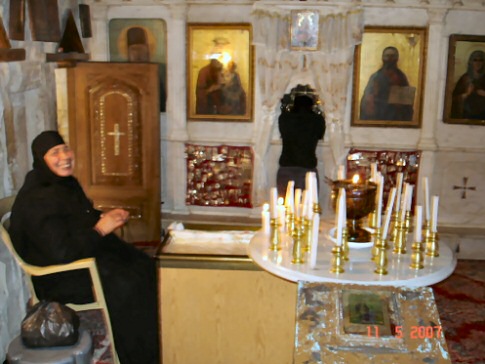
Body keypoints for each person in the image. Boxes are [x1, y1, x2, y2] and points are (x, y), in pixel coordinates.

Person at [9, 131, 159, 364]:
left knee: (143, 264)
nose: (64, 156)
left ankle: (155, 336)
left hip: (80, 257)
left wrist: (105, 217)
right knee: (128, 282)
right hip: (60, 276)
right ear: (41, 159)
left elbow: (78, 219)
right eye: (54, 153)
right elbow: (61, 252)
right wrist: (100, 229)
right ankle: (137, 355)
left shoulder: (63, 184)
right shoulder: (39, 199)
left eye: (65, 148)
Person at [277, 94, 326, 197]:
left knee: (284, 209)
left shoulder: (284, 118)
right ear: (311, 106)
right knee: (309, 208)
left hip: (286, 168)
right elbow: (320, 135)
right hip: (307, 168)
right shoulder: (317, 120)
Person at [360, 46, 414, 121]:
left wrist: (401, 105)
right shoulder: (376, 77)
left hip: (396, 118)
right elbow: (367, 101)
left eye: (392, 56)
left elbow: (407, 106)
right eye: (387, 56)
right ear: (383, 58)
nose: (390, 59)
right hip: (378, 116)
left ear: (397, 58)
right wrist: (372, 98)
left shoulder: (401, 77)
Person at [451, 50, 485, 120]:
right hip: (467, 115)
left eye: (480, 60)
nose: (478, 63)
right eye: (475, 60)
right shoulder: (464, 79)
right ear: (471, 62)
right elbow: (453, 99)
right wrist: (466, 94)